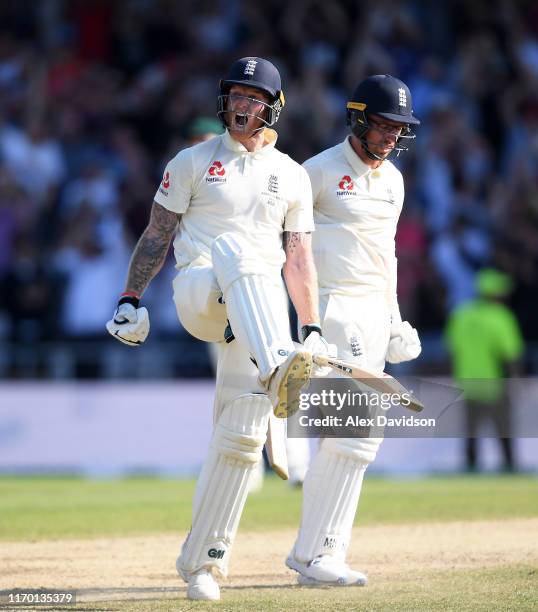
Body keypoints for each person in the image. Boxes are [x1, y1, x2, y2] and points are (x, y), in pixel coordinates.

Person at [106, 57, 333, 601]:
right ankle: (281, 370)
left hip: (257, 318)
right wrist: (130, 298)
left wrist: (313, 327)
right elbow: (158, 233)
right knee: (236, 250)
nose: (242, 105)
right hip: (201, 294)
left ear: (273, 107)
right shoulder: (191, 161)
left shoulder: (292, 174)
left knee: (240, 436)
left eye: (254, 98)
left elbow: (298, 258)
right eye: (235, 95)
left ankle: (203, 564)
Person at [286, 75, 422, 586]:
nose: (390, 137)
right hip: (331, 308)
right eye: (384, 125)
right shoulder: (315, 172)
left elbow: (385, 256)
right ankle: (317, 556)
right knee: (355, 432)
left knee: (359, 439)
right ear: (360, 119)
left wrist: (394, 317)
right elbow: (290, 248)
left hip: (370, 311)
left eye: (399, 128)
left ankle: (316, 554)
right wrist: (307, 320)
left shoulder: (394, 181)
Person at [445, 268, 524, 472]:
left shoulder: (461, 314)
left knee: (471, 432)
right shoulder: (501, 317)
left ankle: (470, 468)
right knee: (504, 430)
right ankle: (509, 467)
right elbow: (511, 355)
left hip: (467, 383)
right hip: (495, 383)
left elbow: (452, 351)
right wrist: (516, 381)